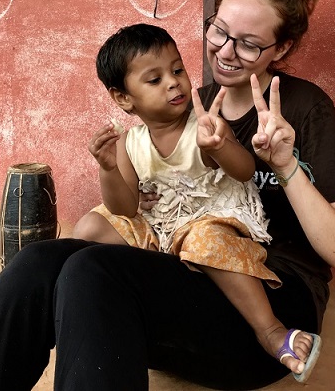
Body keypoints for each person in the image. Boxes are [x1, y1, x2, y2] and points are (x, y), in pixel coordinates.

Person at [0, 0, 335, 391]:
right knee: (39, 261)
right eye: (219, 30)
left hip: (274, 301)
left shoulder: (303, 108)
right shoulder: (182, 107)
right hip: (181, 277)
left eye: (249, 44)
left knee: (93, 273)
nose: (224, 51)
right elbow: (135, 206)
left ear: (281, 47)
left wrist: (284, 163)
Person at [75, 23, 322, 379]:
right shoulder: (129, 143)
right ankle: (130, 293)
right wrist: (109, 168)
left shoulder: (203, 126)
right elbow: (124, 209)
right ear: (123, 98)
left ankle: (270, 330)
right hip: (163, 222)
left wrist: (221, 146)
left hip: (213, 217)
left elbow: (244, 170)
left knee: (204, 241)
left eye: (177, 69)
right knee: (90, 226)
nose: (174, 82)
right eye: (154, 79)